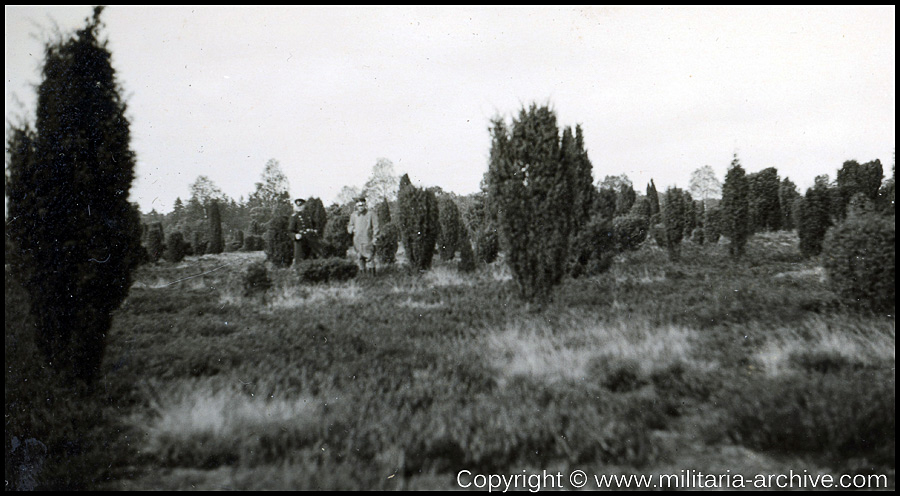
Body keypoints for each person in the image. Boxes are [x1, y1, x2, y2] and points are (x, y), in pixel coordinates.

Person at [347, 195, 380, 275]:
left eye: (362, 205)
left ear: (365, 205)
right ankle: (363, 278)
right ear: (356, 206)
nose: (361, 207)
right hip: (357, 241)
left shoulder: (371, 214)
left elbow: (376, 226)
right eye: (359, 205)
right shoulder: (353, 215)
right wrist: (351, 229)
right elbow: (350, 225)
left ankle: (372, 278)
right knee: (360, 258)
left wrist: (375, 238)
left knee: (369, 258)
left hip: (368, 240)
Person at [289, 198, 321, 266]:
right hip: (300, 241)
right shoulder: (294, 217)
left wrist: (315, 230)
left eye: (301, 205)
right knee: (300, 261)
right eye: (298, 206)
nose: (299, 207)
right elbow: (290, 231)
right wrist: (295, 235)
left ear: (304, 205)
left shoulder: (309, 216)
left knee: (314, 259)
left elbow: (315, 225)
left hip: (311, 240)